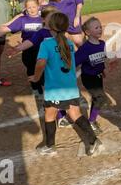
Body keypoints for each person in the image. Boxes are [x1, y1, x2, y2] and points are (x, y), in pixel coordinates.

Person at [30, 12, 103, 156]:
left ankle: (50, 146)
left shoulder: (46, 44)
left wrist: (35, 77)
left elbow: (41, 63)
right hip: (70, 86)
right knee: (75, 114)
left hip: (55, 89)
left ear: (50, 27)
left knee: (50, 115)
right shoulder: (69, 43)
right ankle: (94, 141)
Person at [5, 6, 74, 128]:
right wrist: (17, 49)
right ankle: (60, 116)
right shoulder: (41, 33)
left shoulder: (60, 33)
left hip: (57, 67)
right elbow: (29, 42)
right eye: (51, 17)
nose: (54, 20)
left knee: (57, 91)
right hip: (46, 67)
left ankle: (60, 113)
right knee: (51, 91)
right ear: (44, 20)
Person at [0, 0, 43, 96]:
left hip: (42, 49)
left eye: (34, 7)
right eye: (29, 7)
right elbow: (8, 28)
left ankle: (41, 82)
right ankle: (35, 87)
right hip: (27, 49)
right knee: (30, 67)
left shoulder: (43, 19)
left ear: (38, 7)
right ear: (26, 8)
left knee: (42, 67)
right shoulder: (23, 19)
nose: (31, 9)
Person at [75, 17, 111, 135]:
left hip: (98, 76)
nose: (100, 29)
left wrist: (103, 69)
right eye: (96, 27)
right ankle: (91, 121)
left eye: (100, 26)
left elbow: (101, 59)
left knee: (97, 98)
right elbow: (74, 62)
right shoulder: (85, 48)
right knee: (100, 98)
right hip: (88, 77)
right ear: (88, 32)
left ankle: (92, 120)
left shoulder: (102, 44)